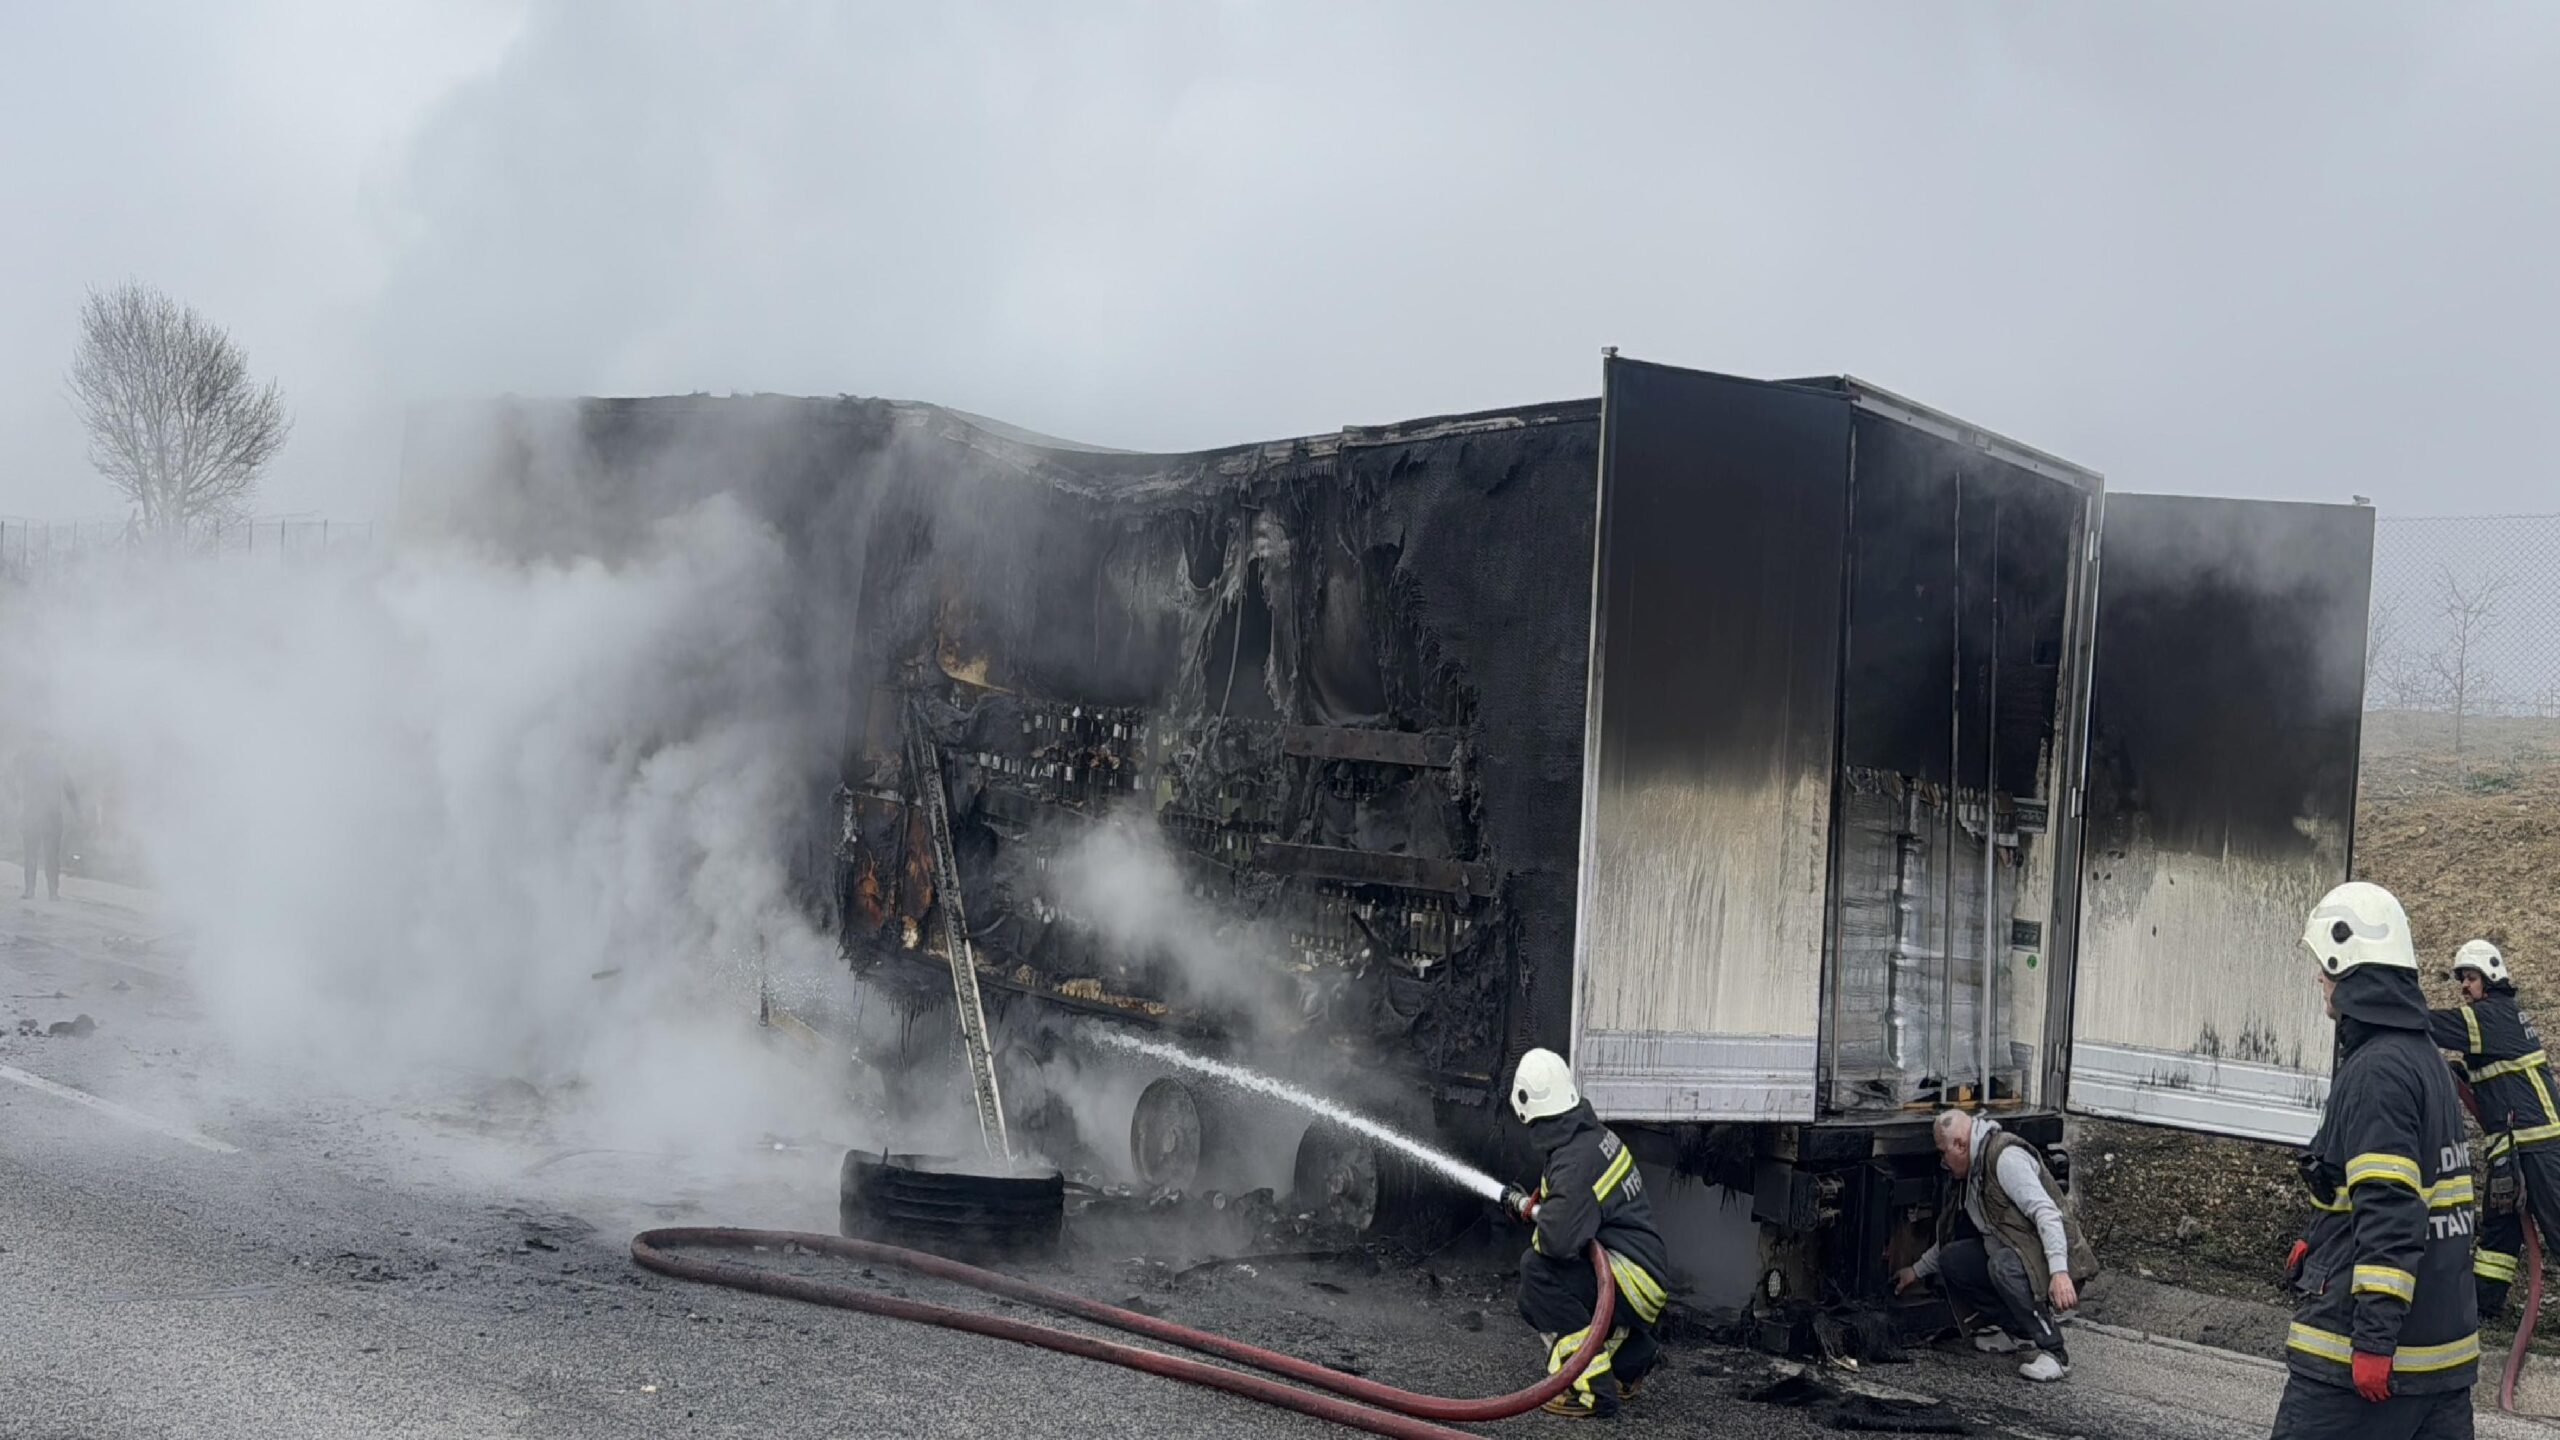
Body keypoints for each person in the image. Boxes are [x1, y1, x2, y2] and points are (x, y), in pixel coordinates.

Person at [2273, 881, 2478, 1440]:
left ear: (2350, 967)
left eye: (2326, 967)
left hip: (2363, 1375)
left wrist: (2372, 1342)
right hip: (2438, 1361)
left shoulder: (2377, 1070)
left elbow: (2391, 1209)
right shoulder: (2424, 1060)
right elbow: (2411, 1196)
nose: (2319, 978)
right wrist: (2321, 1242)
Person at [1501, 1047, 1673, 1419]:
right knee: (1546, 1279)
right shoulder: (1588, 1137)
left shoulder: (1575, 1160)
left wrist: (1540, 1222)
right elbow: (1578, 1212)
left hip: (1628, 1277)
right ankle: (1631, 1358)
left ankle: (1592, 1391)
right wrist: (1540, 1207)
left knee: (1536, 1277)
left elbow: (1557, 1242)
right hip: (1642, 1274)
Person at [1893, 1109, 2096, 1383]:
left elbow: (2047, 1213)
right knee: (1953, 1259)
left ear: (1961, 1145)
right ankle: (2018, 1333)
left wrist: (2060, 1273)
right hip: (2017, 1256)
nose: (1943, 1161)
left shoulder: (2005, 1159)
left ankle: (2055, 1353)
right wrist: (1915, 1271)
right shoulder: (1972, 1173)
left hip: (2055, 1262)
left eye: (1944, 1152)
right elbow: (1948, 1239)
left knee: (2001, 1265)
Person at [2427, 939, 2560, 1318]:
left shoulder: (2491, 1015)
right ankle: (2483, 1305)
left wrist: (2394, 1008)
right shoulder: (2498, 1022)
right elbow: (2500, 1078)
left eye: (2470, 978)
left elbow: (2436, 1025)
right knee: (2500, 1229)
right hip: (2512, 1148)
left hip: (2539, 1146)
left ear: (2491, 977)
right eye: (2462, 980)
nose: (2464, 987)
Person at [16, 736, 74, 901]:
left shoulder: (53, 764)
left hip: (48, 815)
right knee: (35, 855)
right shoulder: (30, 764)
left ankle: (49, 891)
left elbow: (69, 787)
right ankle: (36, 890)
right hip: (36, 814)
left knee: (48, 857)